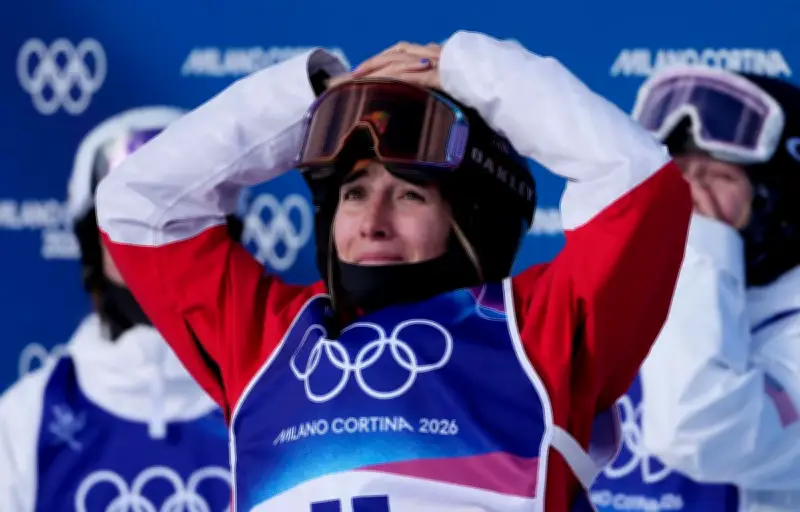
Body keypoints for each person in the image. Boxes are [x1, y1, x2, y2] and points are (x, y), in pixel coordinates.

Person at [95, 31, 692, 511]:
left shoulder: (541, 332)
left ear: (473, 221)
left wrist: (470, 73)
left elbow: (634, 182)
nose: (372, 222)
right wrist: (313, 96)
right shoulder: (265, 343)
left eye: (410, 195)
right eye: (353, 194)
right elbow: (139, 207)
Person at [0, 108, 233, 511]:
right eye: (127, 226)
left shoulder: (273, 399)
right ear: (93, 244)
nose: (152, 248)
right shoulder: (24, 419)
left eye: (178, 222)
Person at [591, 67, 800, 511]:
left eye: (718, 177)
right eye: (676, 176)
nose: (685, 196)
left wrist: (699, 248)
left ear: (777, 199)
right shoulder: (615, 302)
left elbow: (698, 427)